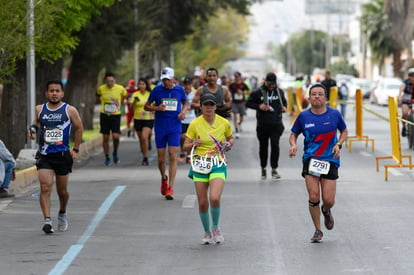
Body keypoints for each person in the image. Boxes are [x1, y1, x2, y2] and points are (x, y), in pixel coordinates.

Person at [288, 83, 348, 243]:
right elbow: (293, 134)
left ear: (326, 98)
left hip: (330, 159)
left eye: (320, 94)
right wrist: (293, 145)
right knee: (314, 195)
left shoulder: (334, 114)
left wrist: (339, 144)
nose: (317, 96)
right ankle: (318, 230)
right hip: (311, 159)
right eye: (313, 94)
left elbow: (344, 131)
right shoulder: (303, 116)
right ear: (309, 98)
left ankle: (326, 210)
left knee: (328, 200)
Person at [28, 80, 83, 234]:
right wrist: (32, 129)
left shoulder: (69, 110)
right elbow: (36, 123)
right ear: (46, 93)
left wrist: (76, 149)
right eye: (51, 91)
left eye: (57, 91)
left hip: (62, 155)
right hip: (45, 155)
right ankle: (47, 220)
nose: (54, 93)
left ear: (62, 93)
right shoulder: (40, 109)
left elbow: (79, 128)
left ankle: (62, 212)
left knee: (62, 191)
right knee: (45, 187)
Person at [183, 93, 234, 244]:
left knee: (214, 198)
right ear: (201, 106)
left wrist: (229, 144)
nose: (209, 107)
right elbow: (185, 146)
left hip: (217, 163)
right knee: (203, 202)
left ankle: (216, 227)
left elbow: (230, 138)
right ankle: (206, 232)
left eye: (211, 104)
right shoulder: (195, 124)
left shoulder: (223, 123)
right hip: (200, 164)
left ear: (215, 106)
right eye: (206, 104)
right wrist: (193, 144)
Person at [144, 67, 188, 200]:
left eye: (168, 80)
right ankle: (164, 177)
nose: (166, 82)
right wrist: (156, 108)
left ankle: (170, 187)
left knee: (173, 155)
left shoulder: (179, 90)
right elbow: (146, 106)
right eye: (164, 80)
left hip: (174, 127)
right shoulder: (157, 90)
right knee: (161, 159)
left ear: (173, 79)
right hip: (160, 127)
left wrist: (183, 112)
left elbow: (185, 102)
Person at [246, 72, 287, 180]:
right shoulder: (257, 92)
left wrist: (284, 108)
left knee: (275, 146)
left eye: (273, 84)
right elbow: (248, 103)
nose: (271, 86)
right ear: (265, 82)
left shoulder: (279, 91)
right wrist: (259, 106)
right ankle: (263, 168)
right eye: (269, 84)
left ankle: (274, 169)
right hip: (263, 124)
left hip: (276, 124)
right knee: (263, 147)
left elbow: (285, 103)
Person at [96, 72, 127, 166]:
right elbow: (98, 96)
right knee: (105, 137)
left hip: (116, 114)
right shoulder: (101, 88)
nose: (110, 83)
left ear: (115, 80)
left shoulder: (120, 88)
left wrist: (119, 105)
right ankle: (107, 156)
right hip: (104, 114)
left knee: (115, 136)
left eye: (111, 81)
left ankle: (115, 152)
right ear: (106, 81)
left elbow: (124, 96)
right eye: (108, 81)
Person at [130, 78, 154, 166]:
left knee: (144, 137)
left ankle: (146, 157)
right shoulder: (135, 95)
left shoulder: (150, 94)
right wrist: (134, 102)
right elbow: (131, 109)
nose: (141, 86)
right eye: (140, 84)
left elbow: (154, 105)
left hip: (148, 119)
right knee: (141, 139)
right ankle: (144, 155)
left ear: (146, 85)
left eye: (143, 84)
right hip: (138, 119)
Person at [179, 77, 197, 163]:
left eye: (189, 84)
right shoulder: (180, 93)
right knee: (182, 137)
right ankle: (183, 149)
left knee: (189, 138)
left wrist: (194, 105)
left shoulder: (194, 94)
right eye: (185, 84)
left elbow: (199, 104)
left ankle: (189, 155)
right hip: (182, 118)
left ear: (191, 85)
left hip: (192, 118)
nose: (187, 86)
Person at [229, 72, 250, 138]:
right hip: (234, 102)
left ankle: (239, 124)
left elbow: (249, 92)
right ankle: (237, 131)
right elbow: (228, 91)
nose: (236, 78)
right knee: (235, 116)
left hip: (242, 102)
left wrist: (242, 92)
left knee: (241, 118)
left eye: (237, 77)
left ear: (240, 77)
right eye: (235, 77)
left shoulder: (243, 84)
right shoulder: (232, 85)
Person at [399, 68, 414, 137]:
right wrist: (399, 96)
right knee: (405, 113)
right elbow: (402, 88)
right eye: (410, 75)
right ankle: (404, 127)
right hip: (406, 100)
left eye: (412, 75)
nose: (411, 77)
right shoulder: (405, 82)